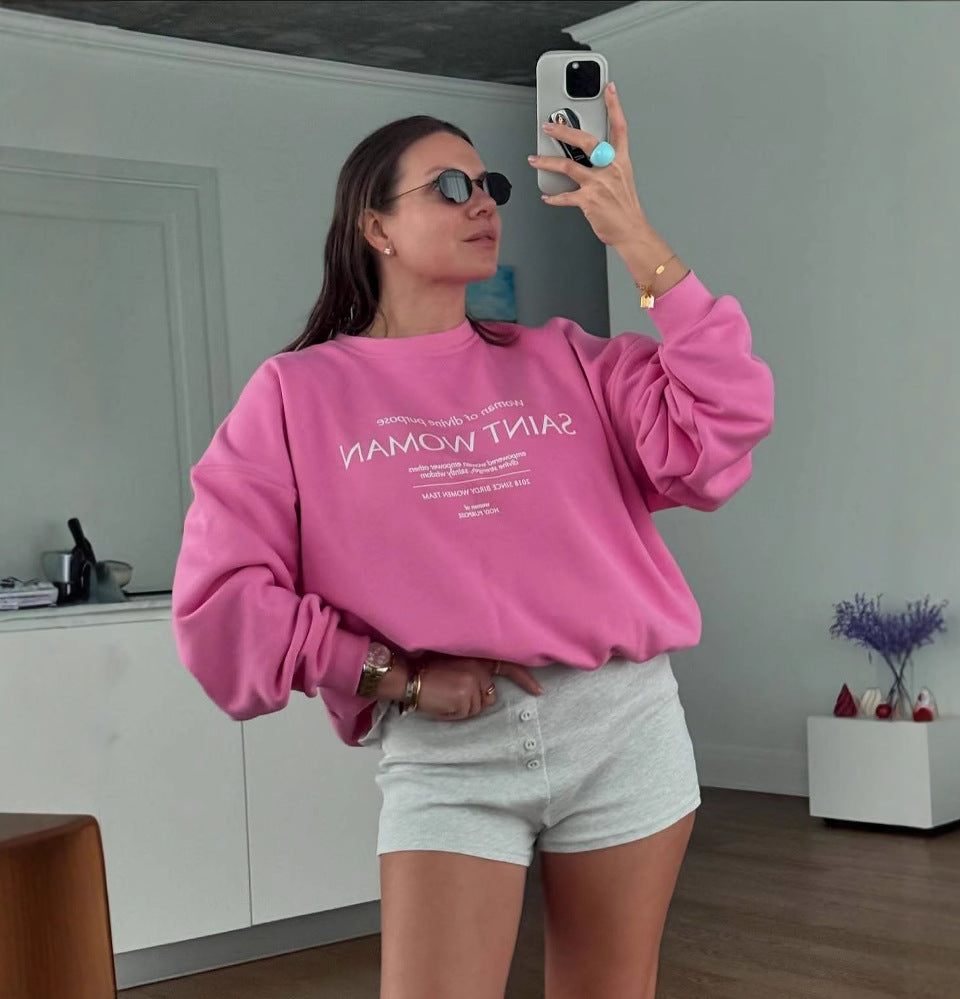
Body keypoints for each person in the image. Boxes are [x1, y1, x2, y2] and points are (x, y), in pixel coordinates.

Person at [172, 82, 774, 999]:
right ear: (375, 226)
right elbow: (222, 604)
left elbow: (722, 416)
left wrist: (632, 233)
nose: (482, 202)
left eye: (488, 184)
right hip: (449, 750)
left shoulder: (565, 358)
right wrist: (393, 676)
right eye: (448, 188)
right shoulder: (295, 394)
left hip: (621, 726)